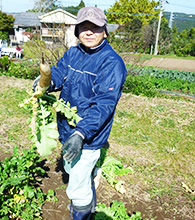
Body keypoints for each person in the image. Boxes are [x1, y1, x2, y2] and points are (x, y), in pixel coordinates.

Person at [33, 6, 127, 220]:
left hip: (89, 136)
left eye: (95, 27)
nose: (89, 32)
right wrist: (44, 84)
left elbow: (104, 104)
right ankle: (87, 203)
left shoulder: (112, 63)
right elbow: (58, 73)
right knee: (74, 171)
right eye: (84, 27)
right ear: (77, 31)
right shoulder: (73, 53)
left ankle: (81, 213)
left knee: (76, 186)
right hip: (68, 129)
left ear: (105, 31)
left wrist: (81, 133)